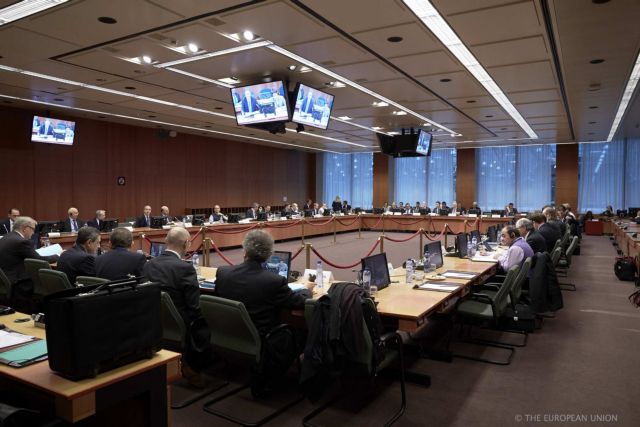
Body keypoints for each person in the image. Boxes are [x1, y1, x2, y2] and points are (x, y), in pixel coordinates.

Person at [143, 227, 211, 384]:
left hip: (154, 319)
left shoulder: (149, 264)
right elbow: (194, 307)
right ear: (187, 244)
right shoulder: (185, 268)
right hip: (179, 321)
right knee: (205, 323)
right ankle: (194, 367)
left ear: (166, 241)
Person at [215, 230, 313, 334]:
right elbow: (300, 302)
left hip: (226, 334)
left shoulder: (223, 272)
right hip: (262, 338)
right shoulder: (274, 281)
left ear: (245, 251)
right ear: (269, 254)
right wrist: (307, 289)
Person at [0, 216, 59, 307]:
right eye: (33, 229)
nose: (33, 233)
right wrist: (58, 255)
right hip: (18, 284)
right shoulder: (21, 242)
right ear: (25, 228)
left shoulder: (6, 238)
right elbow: (39, 260)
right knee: (49, 283)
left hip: (5, 280)